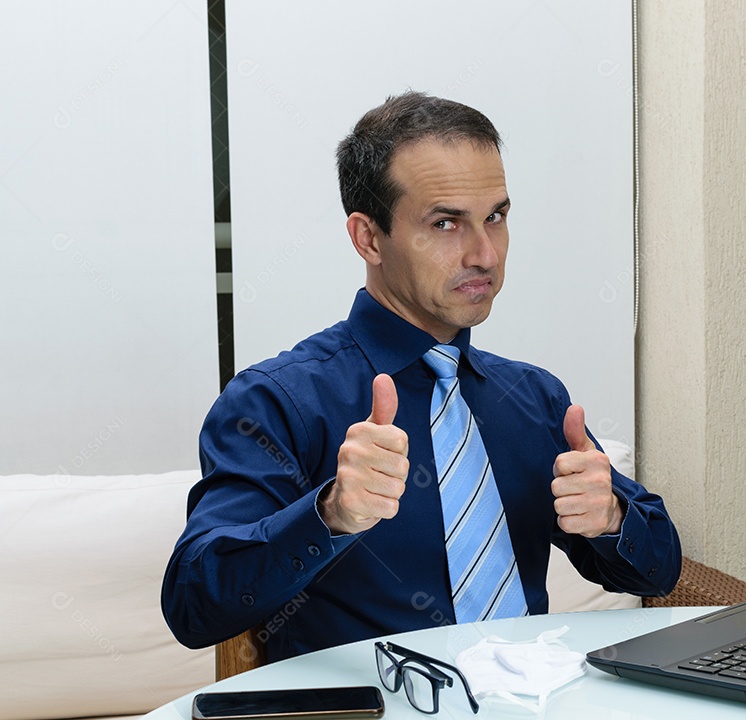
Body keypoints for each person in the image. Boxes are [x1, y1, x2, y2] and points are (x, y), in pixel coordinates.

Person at [162, 92, 681, 661]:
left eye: (496, 217)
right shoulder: (275, 401)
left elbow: (659, 573)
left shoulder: (532, 398)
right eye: (445, 223)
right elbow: (193, 605)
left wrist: (610, 518)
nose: (485, 254)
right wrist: (329, 514)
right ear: (368, 238)